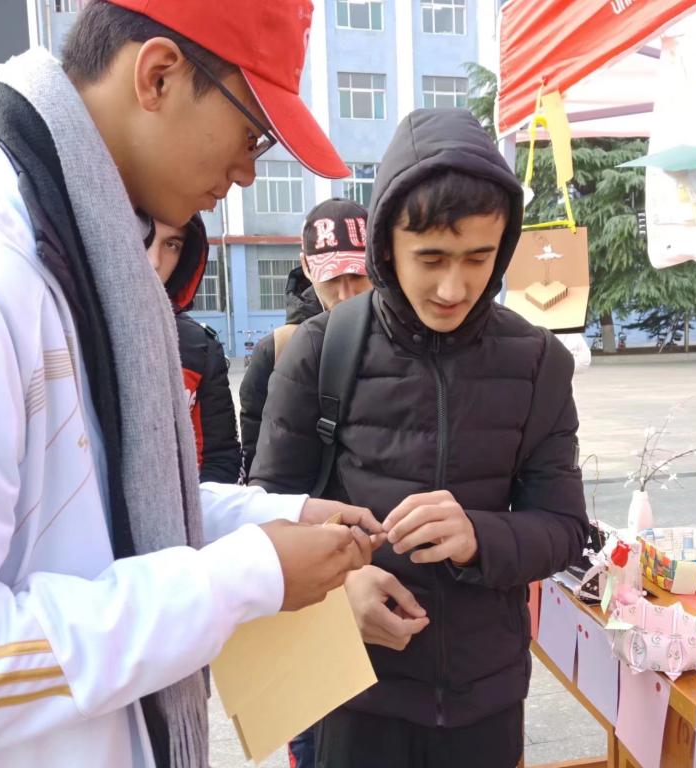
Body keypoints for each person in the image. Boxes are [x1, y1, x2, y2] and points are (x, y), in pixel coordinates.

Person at [0, 2, 381, 766]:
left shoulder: (97, 267)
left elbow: (107, 512)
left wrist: (279, 518)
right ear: (157, 76)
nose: (249, 171)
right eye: (252, 133)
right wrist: (238, 579)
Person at [250, 109, 590, 768]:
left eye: (478, 258)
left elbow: (564, 527)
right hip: (355, 694)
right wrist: (340, 592)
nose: (453, 287)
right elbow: (267, 516)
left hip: (485, 700)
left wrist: (479, 536)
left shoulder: (538, 362)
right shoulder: (321, 349)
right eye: (430, 258)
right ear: (386, 247)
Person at [240, 198, 371, 476]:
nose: (346, 295)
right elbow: (259, 468)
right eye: (332, 279)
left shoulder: (409, 339)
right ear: (307, 267)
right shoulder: (277, 349)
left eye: (358, 275)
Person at [148, 213, 242, 483]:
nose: (153, 261)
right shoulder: (65, 329)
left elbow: (220, 456)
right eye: (141, 236)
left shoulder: (198, 346)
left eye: (172, 245)